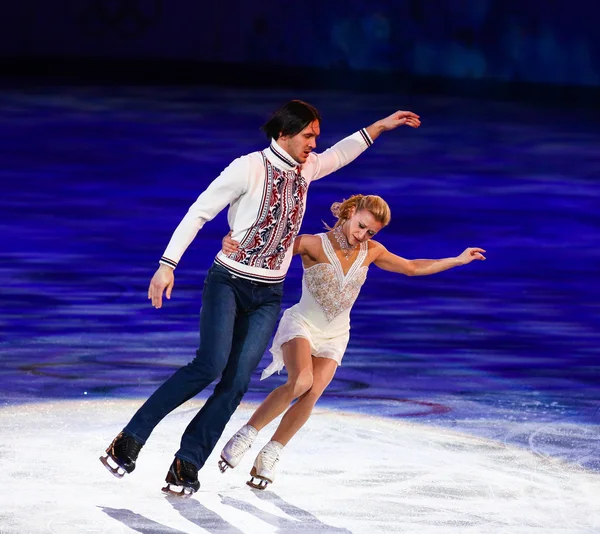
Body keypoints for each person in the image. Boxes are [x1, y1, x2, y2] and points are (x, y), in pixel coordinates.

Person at [99, 100, 421, 496]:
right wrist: (168, 264)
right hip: (228, 281)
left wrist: (383, 126)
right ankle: (130, 438)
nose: (314, 143)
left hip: (268, 294)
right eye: (308, 135)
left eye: (316, 136)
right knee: (209, 365)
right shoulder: (247, 168)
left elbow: (342, 152)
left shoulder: (306, 169)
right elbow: (199, 211)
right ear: (283, 133)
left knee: (235, 383)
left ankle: (187, 463)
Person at [218, 194, 485, 489]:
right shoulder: (312, 244)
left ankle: (270, 453)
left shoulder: (372, 251)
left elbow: (411, 267)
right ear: (350, 212)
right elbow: (270, 252)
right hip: (302, 324)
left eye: (370, 232)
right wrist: (235, 242)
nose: (362, 235)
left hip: (336, 334)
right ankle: (247, 434)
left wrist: (458, 260)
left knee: (313, 392)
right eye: (360, 226)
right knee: (301, 381)